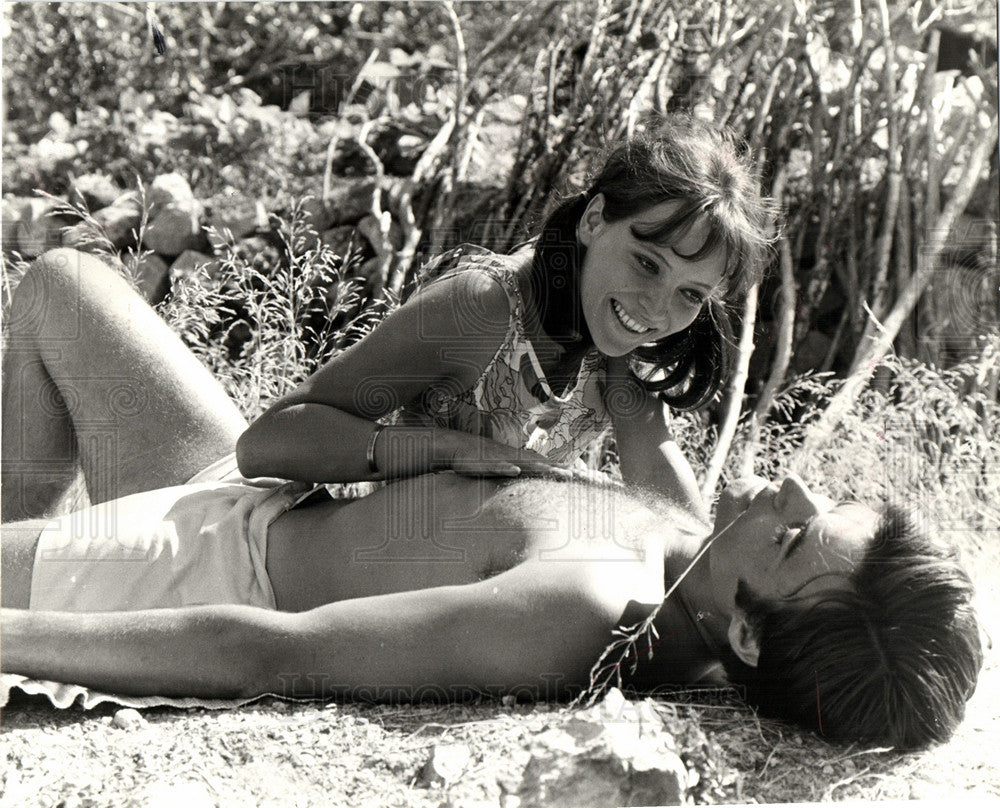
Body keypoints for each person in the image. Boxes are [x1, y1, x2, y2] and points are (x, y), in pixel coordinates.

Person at [0, 115, 773, 525]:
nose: (656, 309)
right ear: (597, 218)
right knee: (64, 279)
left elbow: (667, 496)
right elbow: (270, 442)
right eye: (648, 262)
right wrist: (445, 451)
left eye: (691, 296)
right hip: (234, 528)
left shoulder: (609, 341)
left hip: (318, 561)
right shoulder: (485, 306)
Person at [1, 468, 982, 752]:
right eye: (833, 501)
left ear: (746, 632)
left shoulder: (585, 606)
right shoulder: (699, 558)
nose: (797, 490)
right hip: (261, 490)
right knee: (68, 290)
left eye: (796, 536)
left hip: (203, 562)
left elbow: (270, 653)